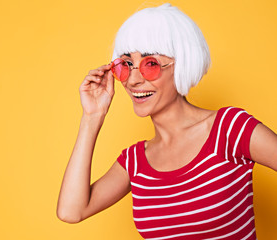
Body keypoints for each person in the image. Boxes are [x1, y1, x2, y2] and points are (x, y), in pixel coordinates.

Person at [57, 3, 277, 239]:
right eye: (126, 65)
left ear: (182, 64)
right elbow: (71, 211)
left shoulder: (230, 129)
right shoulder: (134, 162)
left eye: (150, 64)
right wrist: (92, 116)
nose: (133, 81)